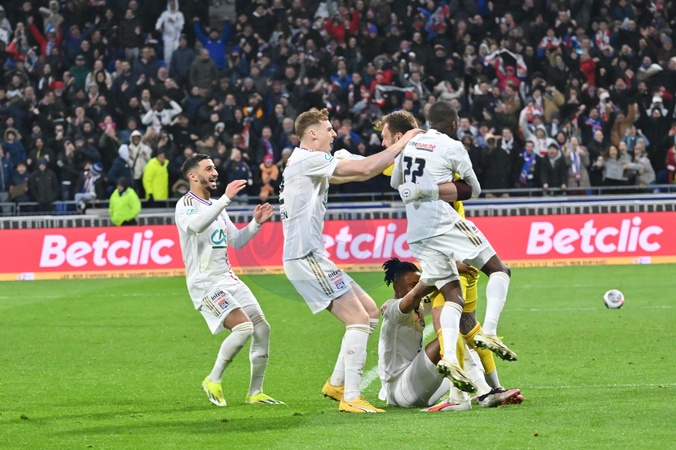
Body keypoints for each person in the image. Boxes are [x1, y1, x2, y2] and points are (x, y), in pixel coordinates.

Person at [280, 108, 421, 413]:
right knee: (357, 319)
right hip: (304, 257)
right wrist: (404, 140)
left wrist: (397, 153)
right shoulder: (307, 160)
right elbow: (365, 168)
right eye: (328, 129)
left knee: (369, 311)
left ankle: (337, 383)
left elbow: (365, 170)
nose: (334, 133)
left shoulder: (309, 161)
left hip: (313, 255)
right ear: (312, 133)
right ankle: (352, 397)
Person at [378, 110, 515, 395]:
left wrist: (417, 188)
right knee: (500, 270)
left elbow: (395, 183)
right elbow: (474, 189)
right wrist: (431, 190)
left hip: (417, 234)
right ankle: (490, 333)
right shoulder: (452, 147)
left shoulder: (408, 147)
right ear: (454, 124)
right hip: (445, 225)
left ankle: (451, 359)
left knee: (453, 298)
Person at [175, 153, 283, 407]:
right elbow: (196, 226)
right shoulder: (186, 204)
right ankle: (213, 380)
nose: (215, 172)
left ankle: (255, 393)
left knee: (262, 328)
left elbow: (236, 241)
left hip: (228, 279)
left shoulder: (218, 207)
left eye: (214, 167)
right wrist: (225, 199)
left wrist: (256, 224)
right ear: (193, 176)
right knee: (243, 327)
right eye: (208, 168)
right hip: (205, 283)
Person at [378, 258, 523, 411]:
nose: (417, 287)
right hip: (399, 390)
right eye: (412, 285)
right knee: (449, 337)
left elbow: (441, 293)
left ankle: (488, 390)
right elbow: (415, 295)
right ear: (396, 286)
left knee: (460, 335)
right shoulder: (391, 308)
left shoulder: (419, 305)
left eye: (418, 283)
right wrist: (449, 270)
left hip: (422, 389)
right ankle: (484, 393)